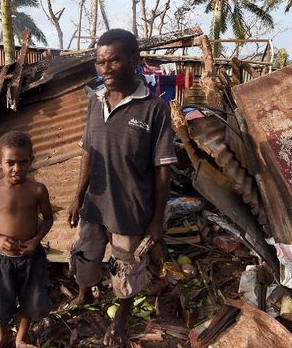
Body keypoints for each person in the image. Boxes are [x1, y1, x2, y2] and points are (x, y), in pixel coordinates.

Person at [67, 28, 176, 347]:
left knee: (124, 271)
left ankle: (121, 318)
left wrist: (156, 219)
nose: (106, 69)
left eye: (114, 61)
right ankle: (84, 293)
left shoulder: (154, 108)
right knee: (85, 258)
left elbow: (162, 171)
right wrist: (77, 196)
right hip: (95, 205)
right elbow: (88, 151)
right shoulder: (94, 100)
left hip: (130, 209)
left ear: (135, 60)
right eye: (101, 62)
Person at [0, 131, 54, 348]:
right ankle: (2, 335)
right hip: (3, 261)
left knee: (33, 301)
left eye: (22, 162)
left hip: (32, 258)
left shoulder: (37, 190)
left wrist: (36, 240)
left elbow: (47, 219)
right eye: (10, 162)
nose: (16, 168)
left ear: (31, 161)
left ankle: (21, 337)